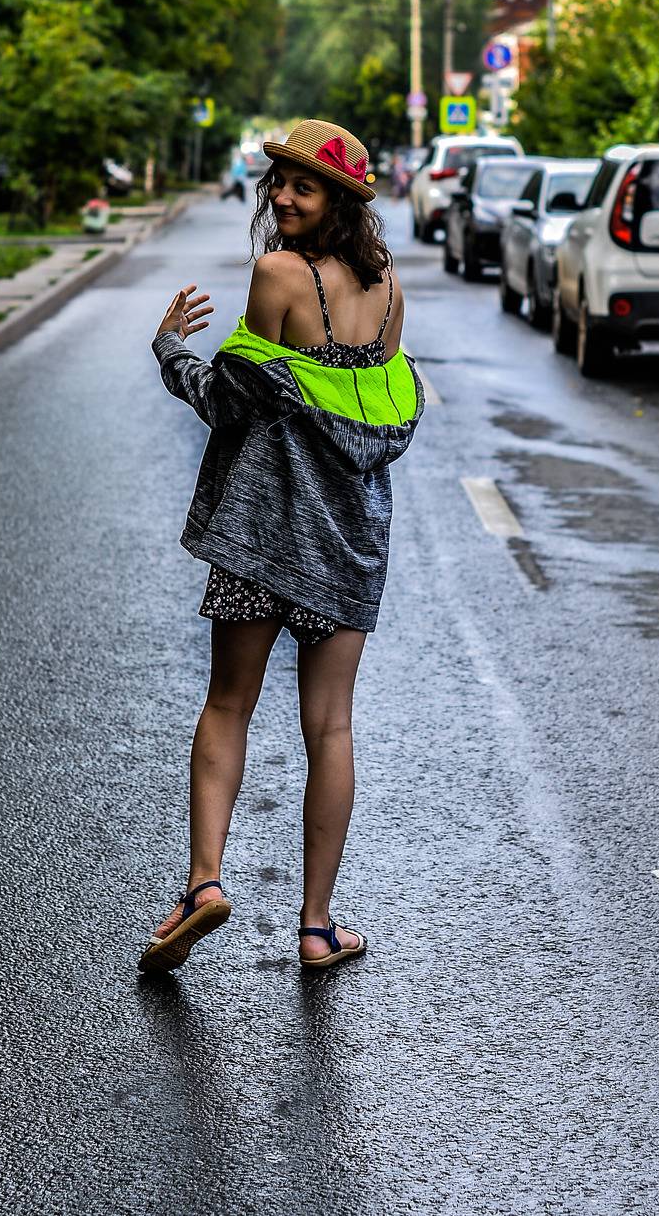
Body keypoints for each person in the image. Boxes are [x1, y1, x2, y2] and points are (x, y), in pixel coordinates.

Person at [141, 118, 424, 973]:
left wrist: (170, 350)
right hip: (350, 538)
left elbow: (230, 403)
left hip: (264, 536)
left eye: (304, 186)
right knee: (330, 726)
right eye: (280, 183)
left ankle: (204, 884)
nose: (284, 197)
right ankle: (317, 926)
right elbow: (374, 414)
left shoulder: (278, 275)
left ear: (341, 200)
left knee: (229, 704)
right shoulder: (388, 288)